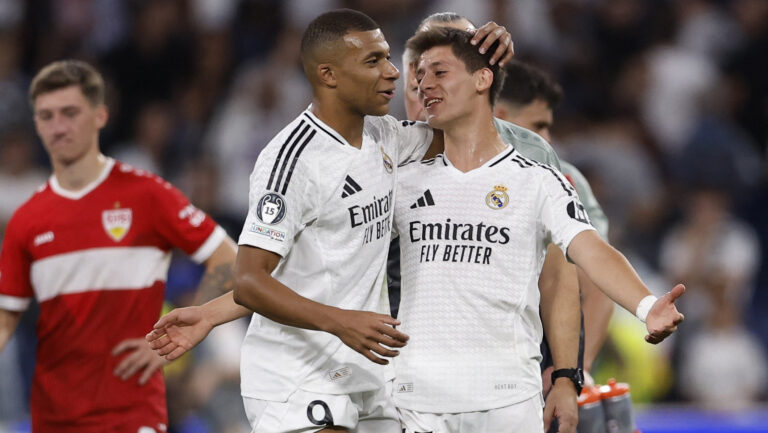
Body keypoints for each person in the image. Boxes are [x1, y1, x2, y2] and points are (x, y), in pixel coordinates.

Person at [147, 9, 516, 433]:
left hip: (365, 370)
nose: (393, 73)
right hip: (300, 374)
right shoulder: (291, 161)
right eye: (373, 61)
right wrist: (341, 322)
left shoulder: (385, 136)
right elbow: (250, 278)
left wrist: (484, 63)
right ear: (329, 75)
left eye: (389, 58)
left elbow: (471, 132)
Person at [392, 26, 684, 433]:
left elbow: (588, 252)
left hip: (507, 400)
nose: (424, 84)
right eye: (419, 75)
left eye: (439, 72)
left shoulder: (537, 179)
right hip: (414, 400)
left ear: (482, 79)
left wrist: (644, 307)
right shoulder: (396, 176)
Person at [0, 60, 238, 433]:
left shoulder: (147, 195)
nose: (58, 126)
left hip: (132, 415)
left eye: (70, 113)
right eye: (46, 116)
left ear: (100, 116)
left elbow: (233, 262)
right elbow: (6, 316)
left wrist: (196, 320)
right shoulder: (27, 219)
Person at [494, 60, 615, 385]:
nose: (548, 139)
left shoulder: (567, 179)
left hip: (541, 357)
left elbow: (596, 284)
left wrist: (574, 372)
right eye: (539, 126)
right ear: (501, 117)